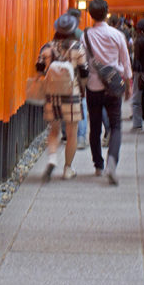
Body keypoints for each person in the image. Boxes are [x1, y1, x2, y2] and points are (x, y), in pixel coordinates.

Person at [82, 0, 132, 185]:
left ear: (90, 14)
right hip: (114, 85)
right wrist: (128, 84)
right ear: (107, 12)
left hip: (93, 85)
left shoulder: (85, 36)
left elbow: (83, 63)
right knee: (116, 126)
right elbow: (126, 61)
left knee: (94, 126)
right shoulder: (116, 35)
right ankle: (112, 161)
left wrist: (81, 85)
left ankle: (98, 165)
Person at [36, 13, 89, 181]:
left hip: (52, 95)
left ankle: (52, 158)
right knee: (72, 133)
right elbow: (84, 71)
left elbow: (39, 68)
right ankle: (68, 168)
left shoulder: (47, 47)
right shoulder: (77, 47)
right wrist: (83, 88)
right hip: (72, 95)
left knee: (54, 130)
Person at [65, 7, 88, 149]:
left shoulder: (60, 34)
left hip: (63, 74)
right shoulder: (81, 35)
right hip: (78, 73)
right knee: (81, 104)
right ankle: (80, 137)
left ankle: (66, 134)